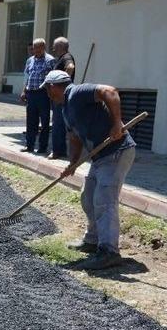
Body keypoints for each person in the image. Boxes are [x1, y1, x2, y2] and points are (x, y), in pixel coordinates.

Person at [41, 70, 136, 270]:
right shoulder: (65, 109)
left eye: (47, 89)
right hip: (99, 157)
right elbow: (75, 138)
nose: (47, 94)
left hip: (116, 152)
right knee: (88, 197)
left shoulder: (77, 92)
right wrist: (73, 163)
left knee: (104, 200)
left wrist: (117, 123)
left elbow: (109, 91)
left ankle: (109, 251)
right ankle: (93, 241)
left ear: (53, 86)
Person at [20, 38, 56, 154]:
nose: (35, 50)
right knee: (31, 121)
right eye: (34, 48)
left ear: (43, 48)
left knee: (44, 122)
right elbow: (27, 77)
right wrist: (24, 91)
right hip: (31, 93)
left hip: (43, 94)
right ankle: (29, 145)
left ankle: (42, 147)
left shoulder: (50, 60)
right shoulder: (30, 60)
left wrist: (51, 93)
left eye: (38, 48)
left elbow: (53, 79)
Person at [49, 36, 76, 160]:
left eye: (54, 46)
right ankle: (62, 151)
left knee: (57, 124)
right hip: (60, 96)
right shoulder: (61, 58)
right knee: (60, 123)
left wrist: (62, 83)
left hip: (61, 97)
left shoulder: (66, 57)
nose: (53, 48)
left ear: (60, 46)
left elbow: (70, 67)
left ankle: (56, 151)